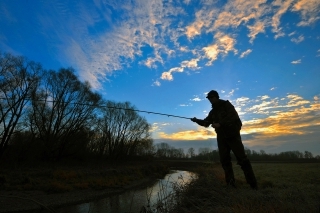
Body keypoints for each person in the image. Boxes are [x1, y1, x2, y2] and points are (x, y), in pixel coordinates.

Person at [191, 90, 257, 189]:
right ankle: (230, 185)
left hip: (233, 135)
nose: (210, 99)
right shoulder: (213, 112)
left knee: (243, 160)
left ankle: (253, 185)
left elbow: (233, 117)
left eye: (212, 97)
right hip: (221, 138)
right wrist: (196, 120)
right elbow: (206, 123)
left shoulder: (227, 105)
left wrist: (220, 124)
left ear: (216, 97)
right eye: (209, 98)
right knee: (225, 161)